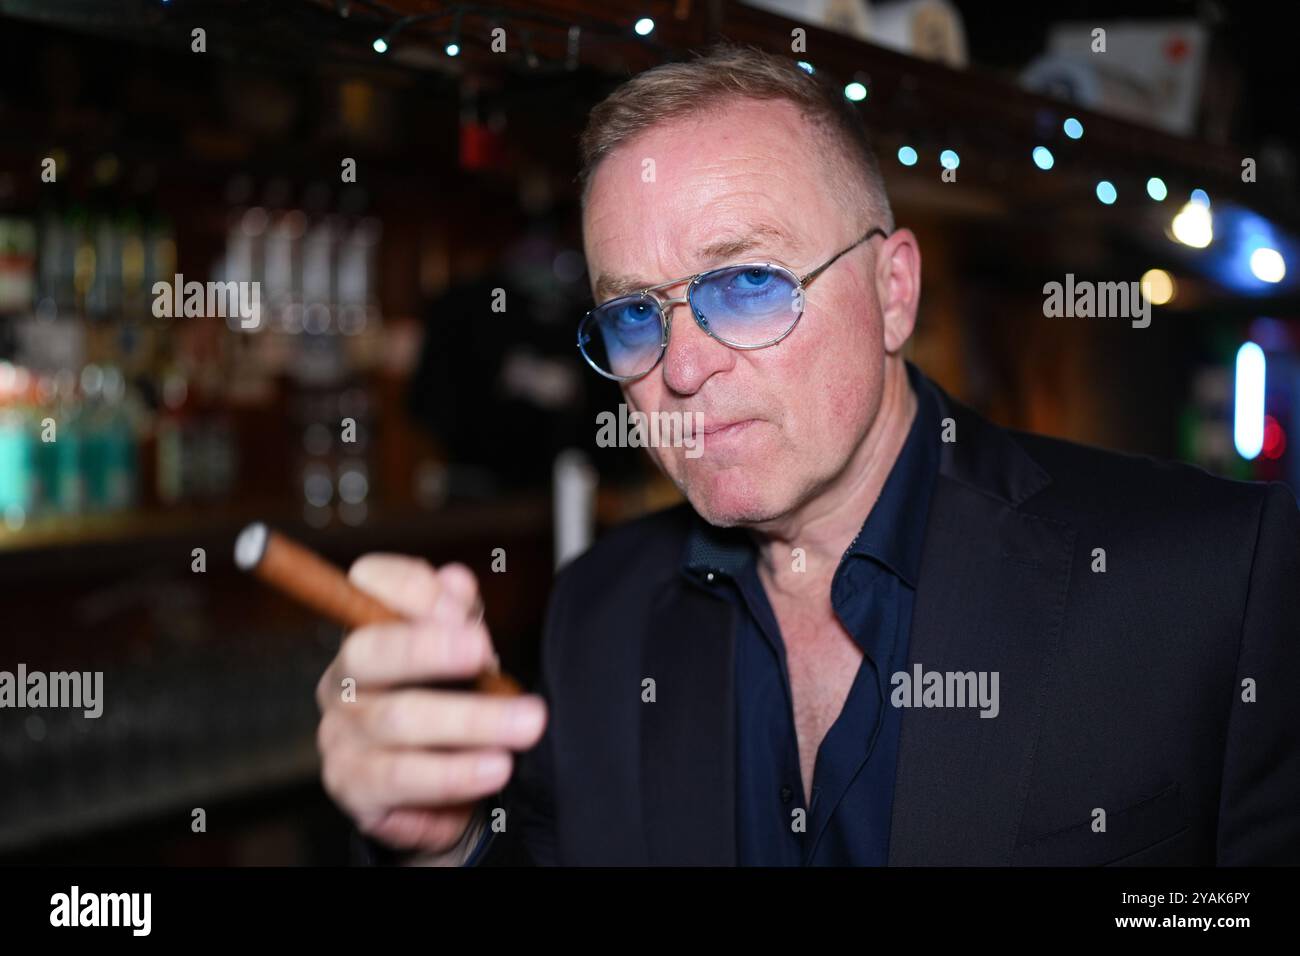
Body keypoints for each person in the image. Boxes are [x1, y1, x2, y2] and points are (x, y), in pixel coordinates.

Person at [316, 43, 1300, 866]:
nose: (682, 367)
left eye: (745, 281)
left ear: (891, 290)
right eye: (632, 313)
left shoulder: (1210, 576)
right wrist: (441, 842)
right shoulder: (601, 612)